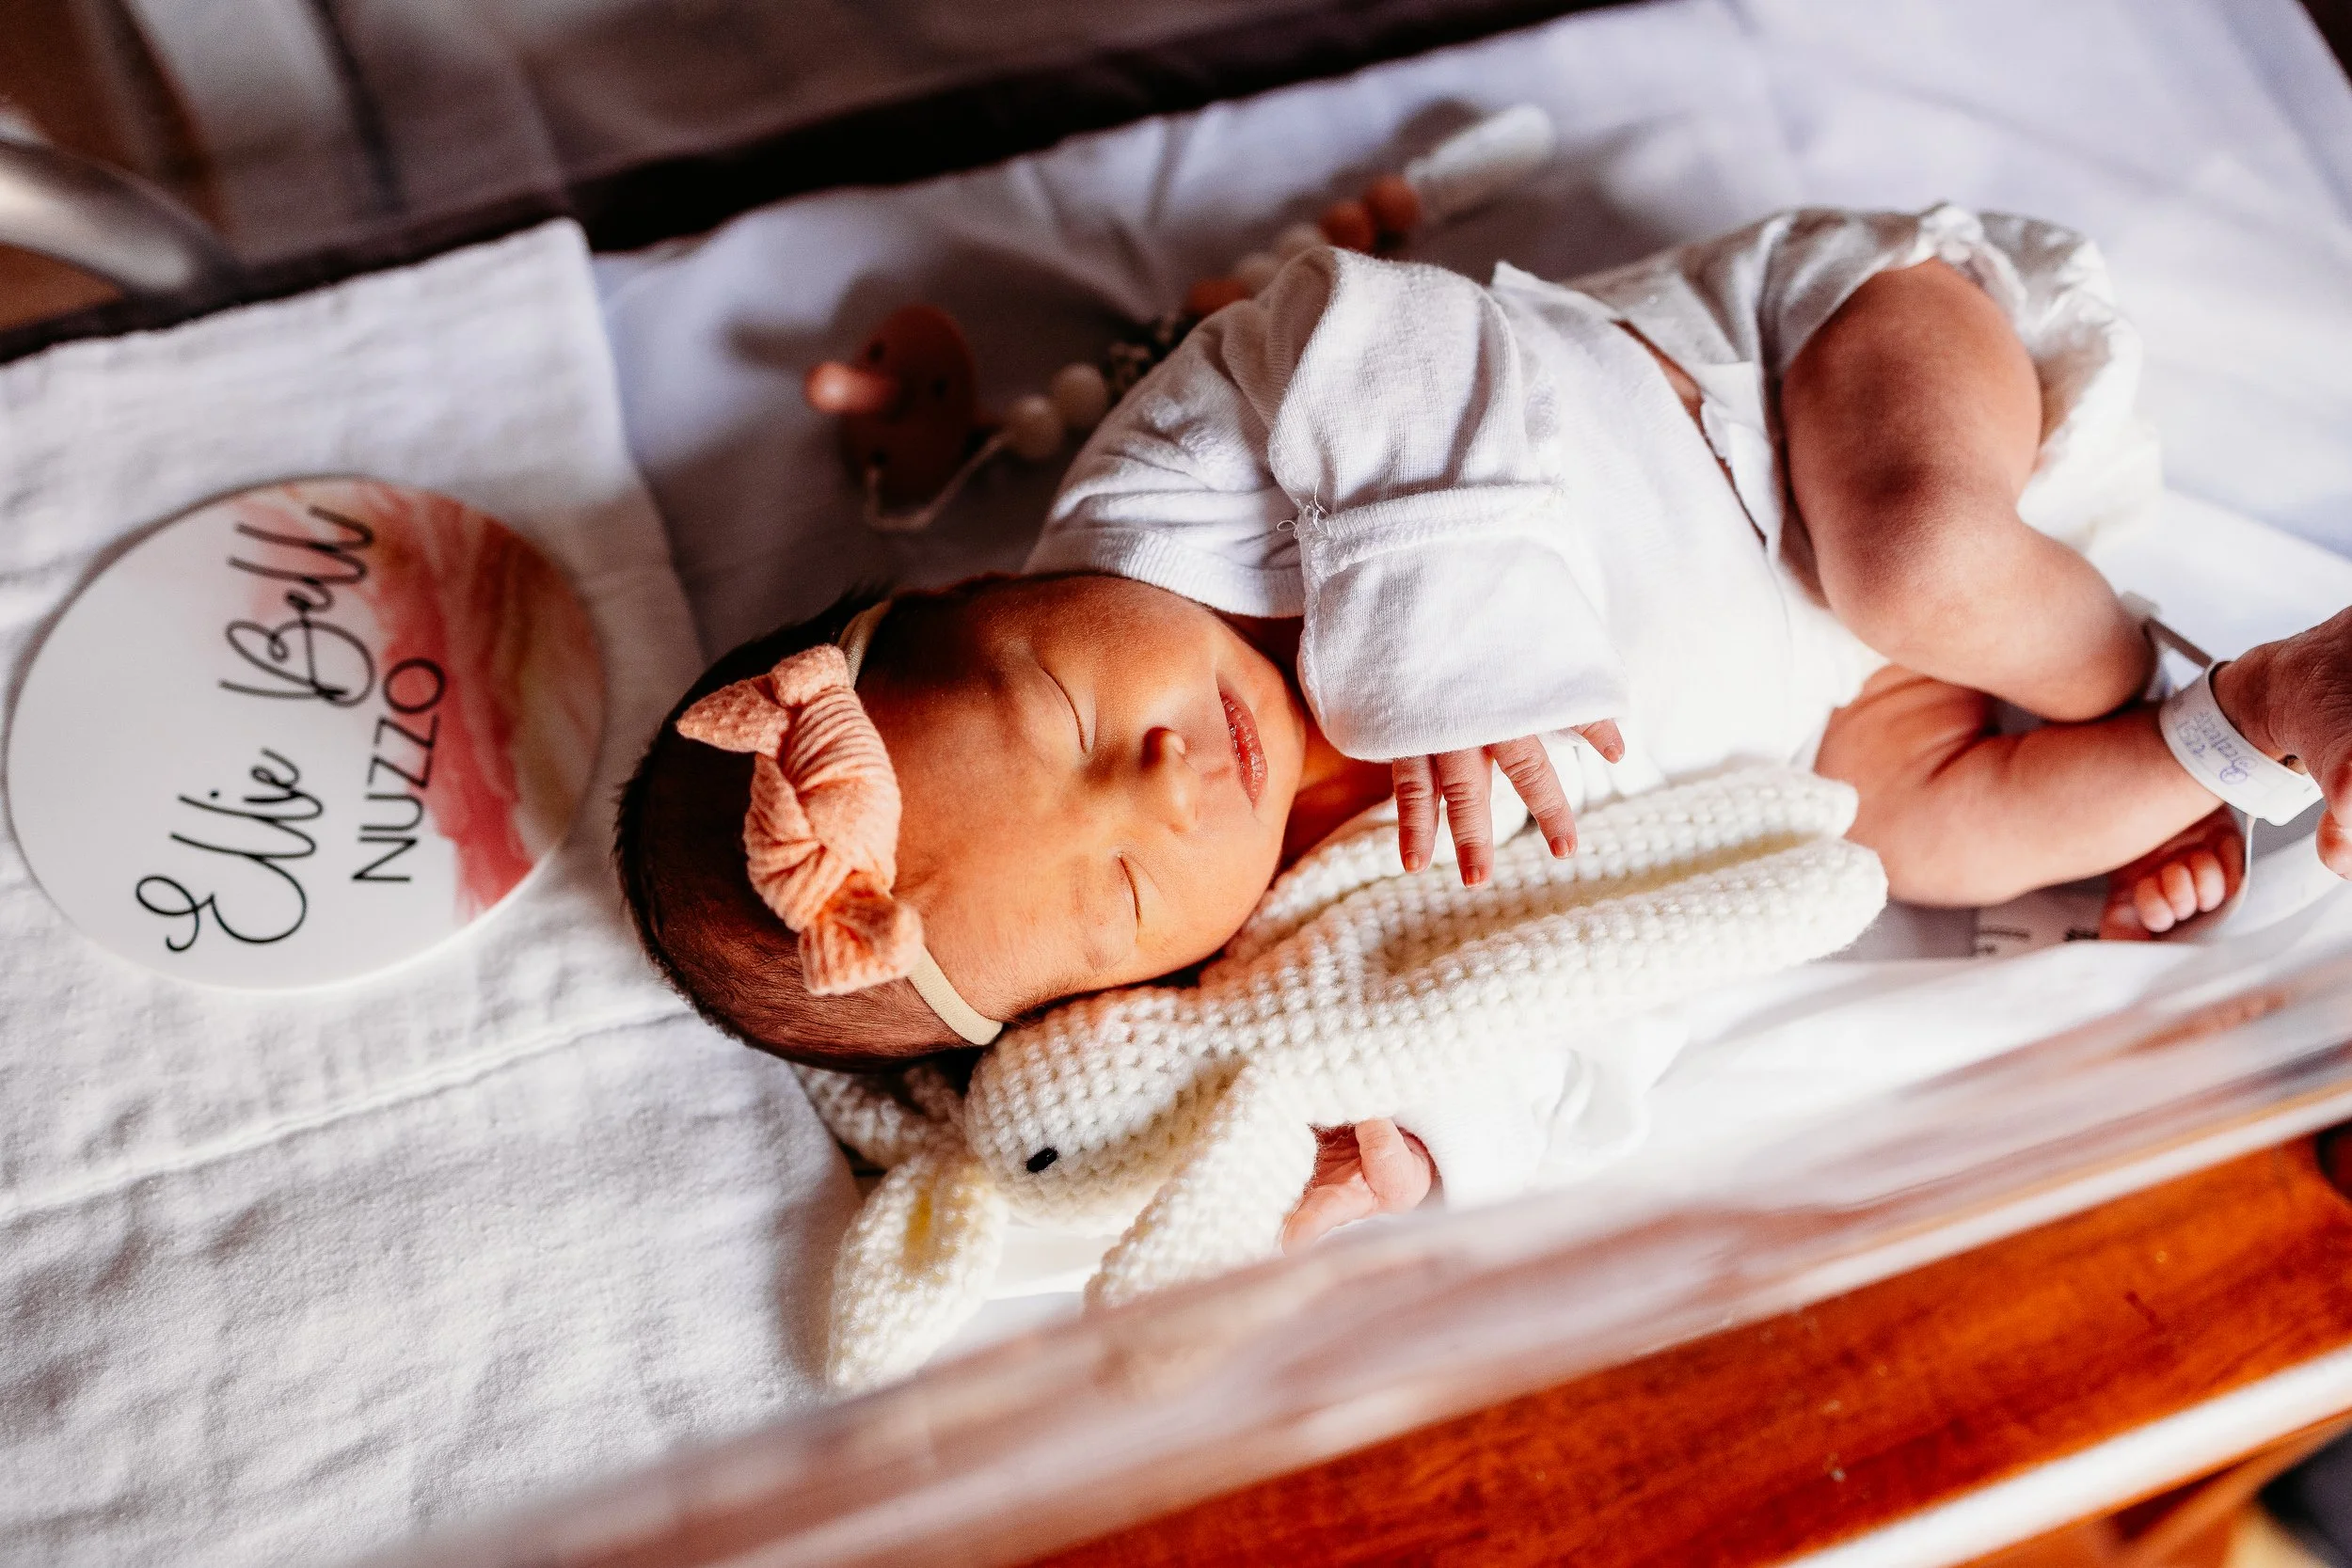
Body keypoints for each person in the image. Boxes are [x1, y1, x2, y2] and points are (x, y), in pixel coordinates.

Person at [614, 206, 2352, 1243]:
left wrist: (1446, 650)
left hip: (1805, 392)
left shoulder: (1176, 494)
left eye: (1067, 709)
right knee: (1914, 833)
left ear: (979, 592)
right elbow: (1576, 981)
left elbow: (1388, 334)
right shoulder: (1300, 914)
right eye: (1125, 895)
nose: (1154, 783)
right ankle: (2244, 735)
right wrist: (1428, 1140)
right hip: (1832, 703)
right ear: (1130, 985)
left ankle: (2139, 673)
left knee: (1922, 554)